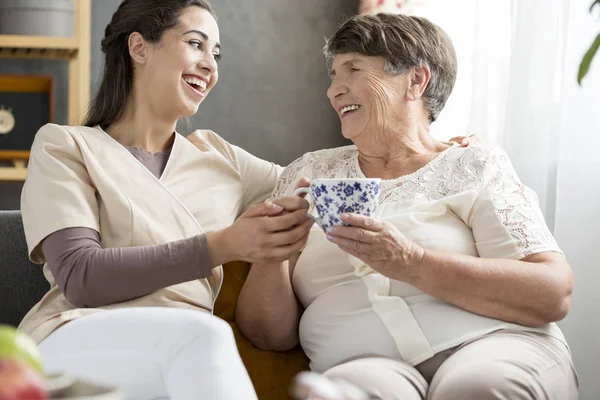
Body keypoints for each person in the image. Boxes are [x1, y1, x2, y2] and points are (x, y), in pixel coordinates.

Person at [236, 13, 579, 400]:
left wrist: (411, 261)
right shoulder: (309, 173)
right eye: (334, 75)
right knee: (349, 394)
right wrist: (271, 254)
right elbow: (268, 335)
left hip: (491, 344)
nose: (334, 91)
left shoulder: (473, 164)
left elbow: (551, 293)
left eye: (354, 69)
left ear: (416, 80)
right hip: (365, 363)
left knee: (477, 388)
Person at [18, 1, 315, 399]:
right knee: (204, 334)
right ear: (140, 48)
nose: (211, 65)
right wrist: (225, 244)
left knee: (198, 339)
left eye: (216, 53)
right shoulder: (66, 146)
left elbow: (318, 181)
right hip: (74, 336)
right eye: (196, 44)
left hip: (182, 358)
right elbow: (81, 276)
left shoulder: (223, 160)